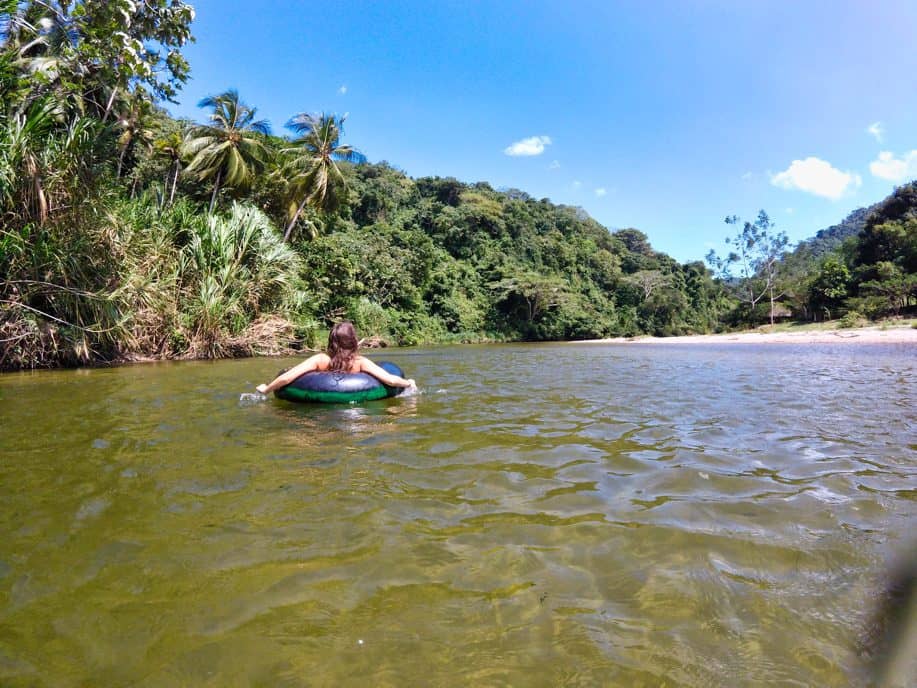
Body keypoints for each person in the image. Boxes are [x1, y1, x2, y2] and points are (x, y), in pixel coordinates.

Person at [255, 321, 417, 395]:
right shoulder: (359, 363)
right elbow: (390, 380)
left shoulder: (320, 359)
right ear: (353, 341)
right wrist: (408, 383)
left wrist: (266, 389)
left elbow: (288, 377)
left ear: (331, 341)